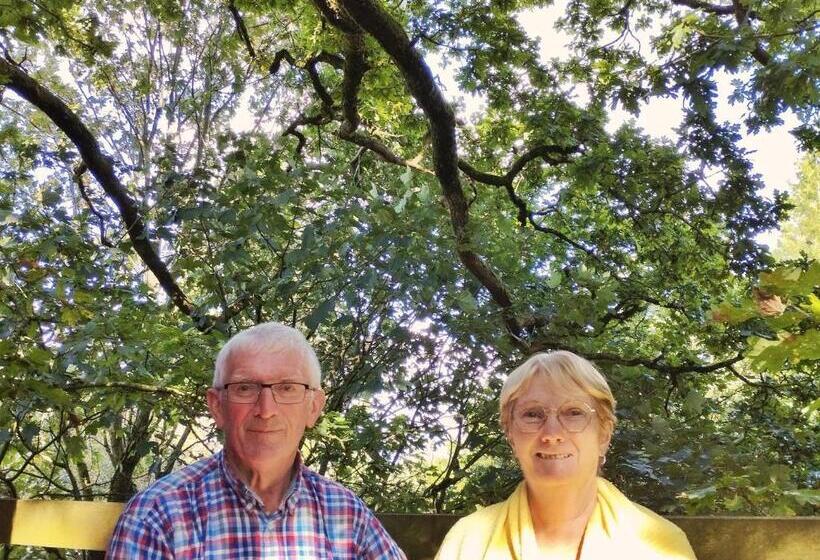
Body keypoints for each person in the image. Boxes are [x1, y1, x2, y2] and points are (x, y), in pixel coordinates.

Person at [108, 322, 405, 559]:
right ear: (216, 406)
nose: (266, 410)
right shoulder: (157, 516)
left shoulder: (346, 513)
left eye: (287, 388)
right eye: (245, 388)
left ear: (313, 407)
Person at [435, 351, 696, 560]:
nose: (552, 433)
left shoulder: (660, 546)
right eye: (533, 414)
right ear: (511, 434)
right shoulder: (468, 542)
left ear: (604, 433)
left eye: (574, 412)